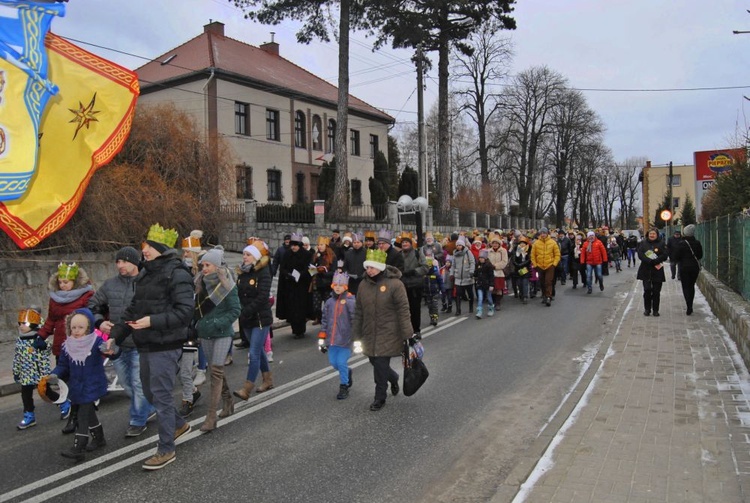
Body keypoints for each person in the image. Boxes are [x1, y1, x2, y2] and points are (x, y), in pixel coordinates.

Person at [107, 224, 194, 470]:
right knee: (149, 391)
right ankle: (179, 425)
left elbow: (185, 313)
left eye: (148, 247)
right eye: (144, 246)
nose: (143, 251)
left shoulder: (178, 273)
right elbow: (134, 309)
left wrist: (152, 321)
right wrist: (115, 335)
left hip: (166, 343)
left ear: (161, 249)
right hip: (146, 342)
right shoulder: (146, 273)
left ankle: (166, 449)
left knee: (162, 395)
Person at [88, 246, 156, 438]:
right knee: (126, 385)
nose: (120, 265)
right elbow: (92, 305)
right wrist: (100, 322)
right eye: (118, 261)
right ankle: (148, 407)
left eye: (124, 261)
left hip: (140, 342)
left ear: (134, 262)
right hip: (117, 343)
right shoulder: (110, 285)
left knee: (137, 382)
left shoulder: (147, 282)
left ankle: (137, 420)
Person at [38, 262, 95, 434]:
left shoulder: (86, 296)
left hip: (80, 347)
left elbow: (92, 318)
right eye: (61, 281)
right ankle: (74, 415)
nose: (63, 285)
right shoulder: (55, 299)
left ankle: (80, 418)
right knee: (66, 384)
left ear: (75, 282)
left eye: (67, 281)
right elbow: (51, 321)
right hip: (61, 348)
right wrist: (41, 336)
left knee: (79, 385)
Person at [352, 249, 412, 411]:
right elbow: (359, 311)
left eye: (372, 267)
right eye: (367, 267)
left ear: (380, 267)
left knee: (379, 364)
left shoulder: (395, 285)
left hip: (389, 332)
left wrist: (408, 334)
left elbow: (403, 310)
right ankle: (393, 377)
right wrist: (356, 334)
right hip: (369, 332)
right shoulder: (363, 285)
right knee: (374, 361)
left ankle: (379, 397)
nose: (369, 270)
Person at [193, 247, 241, 432]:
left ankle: (211, 416)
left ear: (217, 265)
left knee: (215, 371)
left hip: (221, 333)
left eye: (208, 265)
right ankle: (228, 400)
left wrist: (217, 323)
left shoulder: (227, 284)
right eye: (203, 265)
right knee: (216, 371)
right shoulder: (199, 282)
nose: (204, 268)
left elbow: (235, 310)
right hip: (205, 333)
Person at [50, 308, 108, 461]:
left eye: (80, 327)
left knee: (82, 414)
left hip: (92, 384)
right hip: (76, 385)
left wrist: (111, 349)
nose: (76, 331)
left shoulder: (96, 341)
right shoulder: (67, 345)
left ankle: (79, 447)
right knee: (88, 413)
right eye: (73, 327)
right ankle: (99, 438)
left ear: (88, 328)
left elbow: (112, 351)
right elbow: (63, 365)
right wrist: (55, 374)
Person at [234, 241, 275, 400]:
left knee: (253, 353)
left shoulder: (263, 272)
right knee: (258, 351)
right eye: (244, 254)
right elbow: (237, 294)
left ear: (256, 257)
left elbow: (262, 297)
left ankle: (247, 387)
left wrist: (245, 311)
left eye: (248, 254)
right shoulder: (242, 273)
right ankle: (268, 379)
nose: (245, 257)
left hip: (259, 319)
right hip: (246, 319)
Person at [317, 271, 356, 400]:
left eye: (341, 285)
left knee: (341, 362)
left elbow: (354, 319)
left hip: (345, 340)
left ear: (345, 286)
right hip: (331, 340)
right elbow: (324, 320)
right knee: (334, 363)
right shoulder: (329, 302)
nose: (338, 287)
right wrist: (322, 338)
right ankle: (347, 372)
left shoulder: (350, 301)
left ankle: (344, 386)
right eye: (336, 285)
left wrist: (355, 337)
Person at [12, 307, 50, 430]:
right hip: (26, 375)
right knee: (26, 395)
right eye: (20, 323)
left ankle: (64, 404)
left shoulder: (39, 339)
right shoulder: (20, 340)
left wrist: (44, 346)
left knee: (46, 392)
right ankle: (29, 415)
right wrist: (16, 372)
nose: (22, 326)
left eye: (25, 323)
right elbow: (17, 357)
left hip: (40, 373)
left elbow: (47, 353)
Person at [276, 233, 313, 339]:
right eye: (292, 245)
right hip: (290, 286)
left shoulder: (306, 255)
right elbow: (282, 267)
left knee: (300, 308)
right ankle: (294, 328)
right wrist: (288, 274)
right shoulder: (287, 254)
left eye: (295, 245)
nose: (293, 247)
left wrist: (301, 275)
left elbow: (309, 268)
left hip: (302, 286)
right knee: (292, 308)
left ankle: (300, 330)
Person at [400, 234, 428, 336]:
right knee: (403, 309)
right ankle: (405, 330)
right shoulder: (399, 255)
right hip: (402, 286)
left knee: (415, 309)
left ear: (411, 244)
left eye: (406, 242)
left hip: (415, 286)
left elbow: (425, 267)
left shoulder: (417, 254)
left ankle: (416, 330)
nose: (404, 244)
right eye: (403, 243)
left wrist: (414, 271)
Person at [637, 228, 669, 317]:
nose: (652, 235)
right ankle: (647, 309)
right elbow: (640, 254)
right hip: (645, 269)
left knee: (656, 291)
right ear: (648, 234)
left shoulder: (662, 243)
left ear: (657, 235)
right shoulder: (643, 243)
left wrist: (657, 260)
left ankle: (655, 310)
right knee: (647, 290)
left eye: (654, 234)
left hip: (657, 270)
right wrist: (648, 260)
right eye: (650, 233)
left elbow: (665, 254)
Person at [673, 224, 703, 315]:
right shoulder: (697, 243)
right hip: (694, 268)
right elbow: (700, 255)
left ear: (685, 233)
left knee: (685, 286)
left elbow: (676, 256)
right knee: (691, 285)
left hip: (684, 268)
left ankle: (688, 306)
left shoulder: (681, 243)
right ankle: (691, 304)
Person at [531, 228, 560, 307]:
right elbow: (533, 255)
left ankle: (548, 297)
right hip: (539, 265)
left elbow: (557, 255)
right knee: (542, 282)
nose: (543, 234)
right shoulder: (536, 243)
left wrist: (554, 264)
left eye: (544, 233)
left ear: (547, 233)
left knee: (548, 281)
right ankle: (544, 295)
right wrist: (535, 264)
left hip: (550, 265)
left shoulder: (553, 243)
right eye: (542, 233)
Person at [311, 236, 336, 325]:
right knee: (316, 307)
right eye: (318, 245)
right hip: (317, 284)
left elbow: (334, 271)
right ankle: (319, 318)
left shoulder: (332, 257)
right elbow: (311, 267)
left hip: (327, 285)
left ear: (326, 245)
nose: (319, 246)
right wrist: (313, 270)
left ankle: (327, 322)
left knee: (327, 306)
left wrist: (324, 273)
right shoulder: (315, 256)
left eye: (321, 245)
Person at [451, 238, 476, 316]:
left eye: (460, 245)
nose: (458, 246)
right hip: (458, 278)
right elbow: (453, 265)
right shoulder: (455, 254)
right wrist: (451, 274)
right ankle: (458, 310)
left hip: (467, 276)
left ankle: (471, 307)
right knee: (458, 294)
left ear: (463, 245)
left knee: (470, 293)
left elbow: (472, 262)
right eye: (457, 245)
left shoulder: (468, 253)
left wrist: (471, 271)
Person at [487, 233, 508, 310]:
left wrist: (495, 266)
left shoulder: (503, 251)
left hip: (499, 272)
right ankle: (492, 302)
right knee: (492, 289)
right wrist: (490, 267)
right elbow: (486, 261)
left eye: (496, 243)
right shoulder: (488, 251)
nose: (495, 245)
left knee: (499, 288)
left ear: (499, 244)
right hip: (490, 272)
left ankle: (497, 303)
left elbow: (504, 262)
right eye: (493, 243)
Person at [422, 248, 442, 326]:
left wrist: (441, 289)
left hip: (434, 291)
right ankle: (431, 317)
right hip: (427, 292)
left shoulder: (435, 273)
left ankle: (435, 318)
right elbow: (423, 283)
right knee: (430, 306)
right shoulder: (424, 274)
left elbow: (440, 280)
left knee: (435, 305)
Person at [473, 249, 495, 318]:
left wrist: (491, 285)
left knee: (489, 297)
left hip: (487, 284)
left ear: (485, 258)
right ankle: (479, 311)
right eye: (480, 258)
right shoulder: (478, 265)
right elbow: (476, 273)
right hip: (480, 284)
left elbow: (491, 276)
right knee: (480, 298)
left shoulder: (489, 265)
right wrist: (472, 274)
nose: (481, 259)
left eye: (482, 258)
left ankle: (491, 309)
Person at [511, 236, 532, 304]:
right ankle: (521, 294)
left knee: (525, 283)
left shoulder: (528, 250)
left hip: (525, 268)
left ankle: (525, 296)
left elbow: (529, 259)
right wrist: (517, 264)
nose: (522, 244)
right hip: (518, 269)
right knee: (519, 283)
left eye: (524, 243)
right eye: (521, 243)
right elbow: (513, 259)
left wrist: (522, 264)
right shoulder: (516, 250)